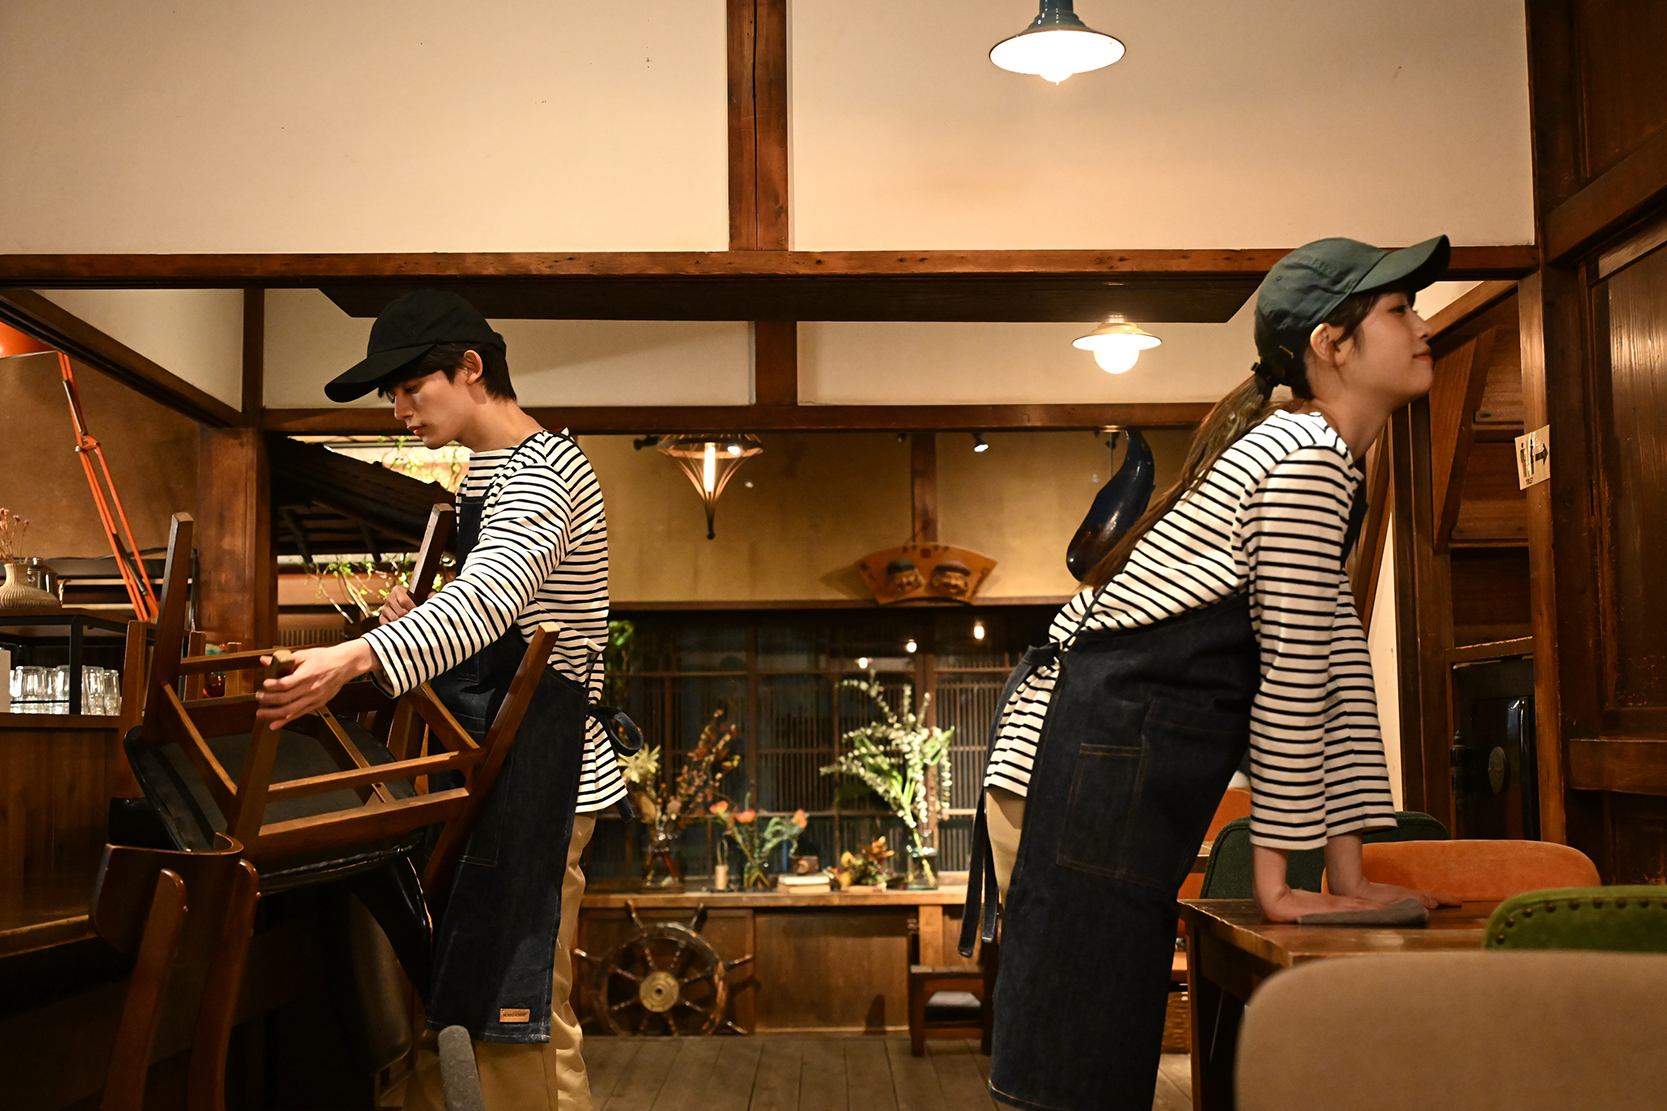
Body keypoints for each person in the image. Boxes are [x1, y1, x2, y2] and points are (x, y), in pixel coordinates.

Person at [960, 237, 1461, 1111]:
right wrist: (1279, 881)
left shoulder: (1319, 453)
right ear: (1329, 345)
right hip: (1082, 757)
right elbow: (1295, 678)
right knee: (1076, 1069)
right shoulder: (1303, 455)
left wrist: (1344, 873)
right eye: (1397, 309)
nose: (1419, 324)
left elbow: (1331, 662)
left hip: (1101, 759)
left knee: (1091, 1057)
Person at [255, 289, 622, 1111]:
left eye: (409, 387)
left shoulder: (547, 469)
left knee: (520, 1000)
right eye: (391, 393)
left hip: (545, 769)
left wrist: (355, 655)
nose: (399, 408)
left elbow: (494, 597)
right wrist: (417, 618)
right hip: (501, 761)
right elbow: (506, 612)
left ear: (470, 368)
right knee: (498, 993)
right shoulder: (490, 473)